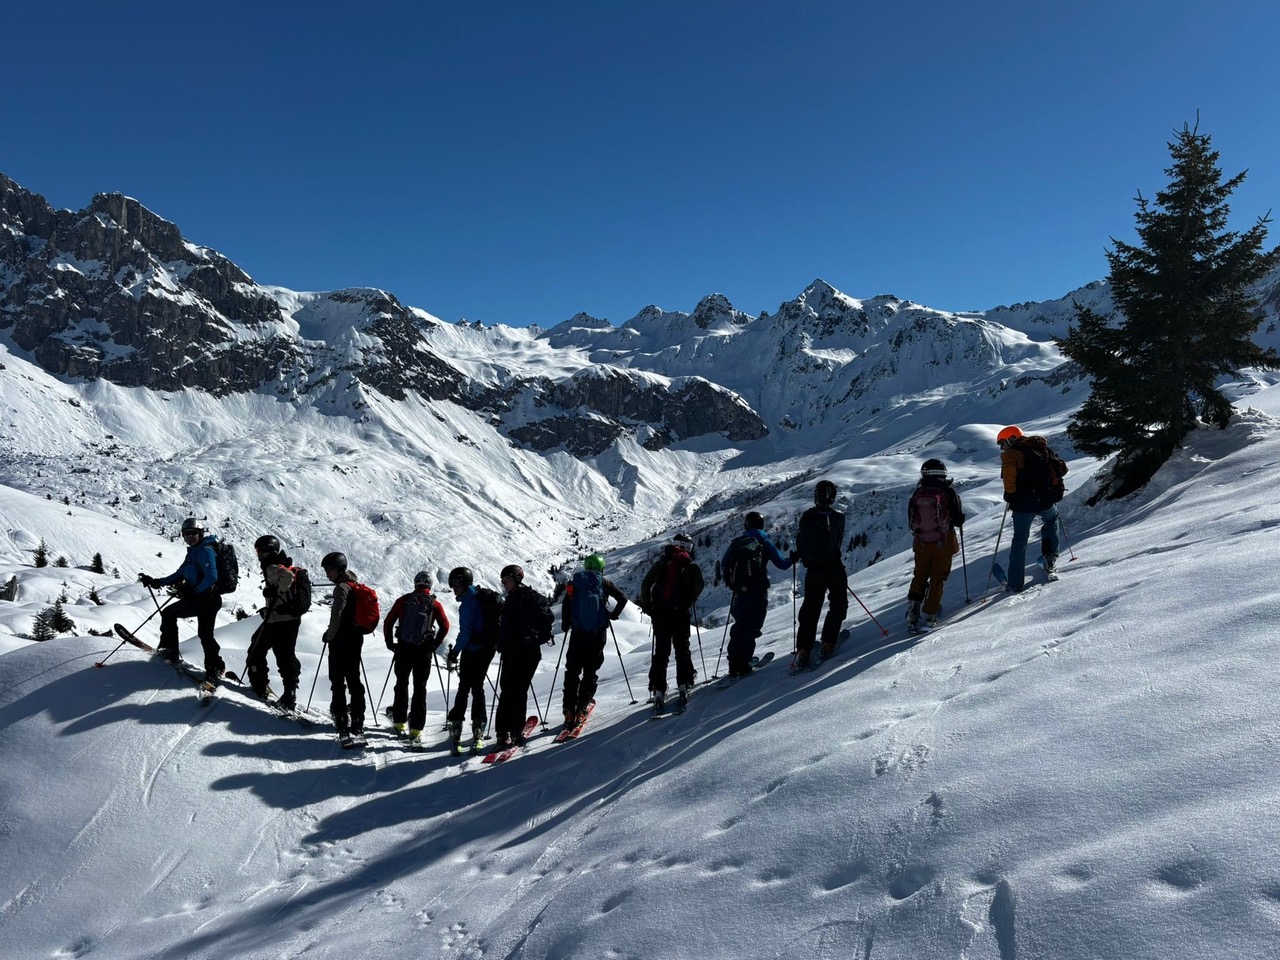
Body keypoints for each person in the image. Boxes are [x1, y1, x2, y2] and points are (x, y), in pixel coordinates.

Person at [140, 517, 225, 679]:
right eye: (186, 534)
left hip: (207, 599)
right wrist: (157, 582)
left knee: (173, 616)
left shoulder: (205, 551)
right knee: (204, 633)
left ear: (200, 533)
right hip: (202, 598)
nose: (190, 536)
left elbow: (212, 576)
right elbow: (179, 573)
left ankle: (171, 651)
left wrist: (196, 590)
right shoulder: (194, 552)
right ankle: (215, 666)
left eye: (193, 533)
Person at [720, 511, 794, 676]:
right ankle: (743, 662)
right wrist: (793, 559)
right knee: (751, 627)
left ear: (746, 525)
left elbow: (724, 564)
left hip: (740, 593)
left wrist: (733, 583)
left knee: (739, 624)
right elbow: (782, 564)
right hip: (758, 592)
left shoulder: (737, 543)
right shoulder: (764, 542)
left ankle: (733, 662)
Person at [997, 425, 1069, 592]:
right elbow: (1063, 469)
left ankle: (1015, 583)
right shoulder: (1041, 448)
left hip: (1023, 505)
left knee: (1020, 540)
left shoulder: (1011, 455)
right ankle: (1049, 559)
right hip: (1046, 500)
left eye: (1002, 443)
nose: (1001, 447)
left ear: (1011, 439)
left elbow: (1009, 481)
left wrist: (1010, 495)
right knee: (1052, 521)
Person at [559, 553, 628, 728]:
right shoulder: (604, 582)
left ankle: (569, 709)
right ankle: (582, 707)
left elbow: (566, 605)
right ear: (601, 568)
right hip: (597, 634)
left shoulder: (575, 582)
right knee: (590, 671)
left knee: (572, 670)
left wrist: (566, 624)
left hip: (578, 633)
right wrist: (613, 615)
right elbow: (623, 599)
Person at [383, 572, 450, 745]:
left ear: (415, 584)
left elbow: (388, 622)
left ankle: (399, 722)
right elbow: (445, 626)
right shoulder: (434, 604)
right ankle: (416, 728)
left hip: (403, 649)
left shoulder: (404, 600)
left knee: (401, 684)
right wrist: (434, 644)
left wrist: (390, 643)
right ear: (430, 585)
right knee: (420, 688)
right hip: (423, 651)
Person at [640, 533, 704, 709]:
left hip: (660, 614)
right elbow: (699, 585)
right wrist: (689, 600)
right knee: (682, 649)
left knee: (661, 652)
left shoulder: (662, 563)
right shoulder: (689, 565)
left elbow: (645, 584)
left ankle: (658, 689)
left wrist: (648, 607)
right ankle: (684, 683)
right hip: (680, 614)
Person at [494, 564, 553, 749]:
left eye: (507, 580)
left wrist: (501, 644)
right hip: (530, 651)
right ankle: (515, 731)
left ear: (517, 579)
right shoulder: (532, 596)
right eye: (503, 581)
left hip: (514, 651)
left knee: (508, 691)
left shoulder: (514, 599)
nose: (505, 584)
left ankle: (503, 733)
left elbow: (506, 627)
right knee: (518, 691)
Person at [445, 567, 501, 752]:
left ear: (465, 582)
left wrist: (455, 652)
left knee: (464, 688)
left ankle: (456, 727)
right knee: (478, 687)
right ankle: (479, 727)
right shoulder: (479, 597)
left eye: (456, 583)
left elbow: (466, 633)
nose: (454, 587)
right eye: (452, 583)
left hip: (472, 649)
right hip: (488, 649)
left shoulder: (468, 604)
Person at [794, 480, 849, 667]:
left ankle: (803, 649)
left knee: (810, 608)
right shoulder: (839, 517)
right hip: (834, 568)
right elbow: (838, 541)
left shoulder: (807, 516)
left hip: (814, 570)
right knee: (838, 604)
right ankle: (828, 643)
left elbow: (801, 542)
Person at [905, 460, 966, 629]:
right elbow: (958, 519)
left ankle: (913, 610)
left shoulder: (918, 493)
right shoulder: (948, 492)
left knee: (920, 576)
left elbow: (911, 520)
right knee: (937, 578)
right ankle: (931, 615)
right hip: (943, 543)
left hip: (921, 543)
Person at [246, 534, 304, 709]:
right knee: (285, 655)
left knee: (256, 650)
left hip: (278, 620)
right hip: (289, 619)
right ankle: (290, 693)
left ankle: (259, 685)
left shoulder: (272, 566)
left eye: (263, 550)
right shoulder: (280, 563)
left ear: (271, 551)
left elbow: (287, 577)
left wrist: (275, 591)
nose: (259, 554)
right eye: (258, 550)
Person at [320, 551, 369, 745]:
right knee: (354, 680)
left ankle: (341, 719)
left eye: (330, 569)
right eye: (326, 569)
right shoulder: (354, 585)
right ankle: (357, 721)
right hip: (355, 639)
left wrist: (329, 635)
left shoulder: (341, 588)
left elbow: (337, 614)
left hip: (340, 641)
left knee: (338, 681)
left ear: (340, 569)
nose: (328, 573)